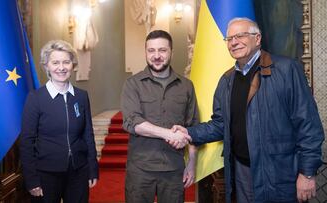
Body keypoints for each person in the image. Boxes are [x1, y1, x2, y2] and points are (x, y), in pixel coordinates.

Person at [172, 17, 325, 203]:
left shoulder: (286, 70)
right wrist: (189, 132)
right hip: (241, 172)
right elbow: (221, 124)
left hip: (281, 174)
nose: (234, 42)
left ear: (257, 38)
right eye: (229, 39)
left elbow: (308, 125)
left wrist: (307, 173)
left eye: (240, 36)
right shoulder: (226, 80)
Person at [121, 30, 198, 203]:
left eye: (162, 50)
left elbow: (193, 126)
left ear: (171, 52)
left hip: (174, 169)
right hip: (140, 170)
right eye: (151, 50)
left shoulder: (186, 86)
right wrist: (169, 134)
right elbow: (133, 123)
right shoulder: (132, 84)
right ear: (146, 52)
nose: (156, 56)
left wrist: (192, 164)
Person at [19, 40, 98, 203]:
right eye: (55, 62)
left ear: (73, 64)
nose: (61, 68)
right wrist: (31, 179)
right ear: (46, 66)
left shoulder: (81, 96)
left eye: (66, 62)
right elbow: (27, 141)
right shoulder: (35, 98)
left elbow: (88, 135)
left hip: (79, 171)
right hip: (46, 173)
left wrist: (92, 168)